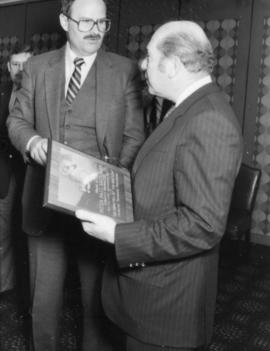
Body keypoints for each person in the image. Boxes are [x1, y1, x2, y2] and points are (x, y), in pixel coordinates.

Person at [76, 20, 243, 351]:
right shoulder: (189, 107)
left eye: (149, 56)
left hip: (166, 312)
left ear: (174, 64)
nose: (143, 64)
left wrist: (117, 235)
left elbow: (202, 224)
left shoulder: (208, 119)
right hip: (152, 297)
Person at [7, 0, 145, 351]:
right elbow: (17, 121)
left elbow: (134, 137)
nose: (95, 29)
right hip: (43, 205)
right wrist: (33, 143)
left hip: (98, 209)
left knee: (96, 305)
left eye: (102, 21)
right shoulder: (37, 68)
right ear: (64, 21)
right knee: (44, 300)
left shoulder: (125, 71)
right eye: (86, 21)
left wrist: (110, 181)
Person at [0, 45, 32, 300]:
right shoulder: (2, 93)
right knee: (4, 230)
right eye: (15, 64)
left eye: (25, 64)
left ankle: (27, 290)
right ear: (8, 67)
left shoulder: (41, 95)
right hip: (5, 175)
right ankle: (6, 286)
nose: (20, 70)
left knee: (29, 233)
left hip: (33, 176)